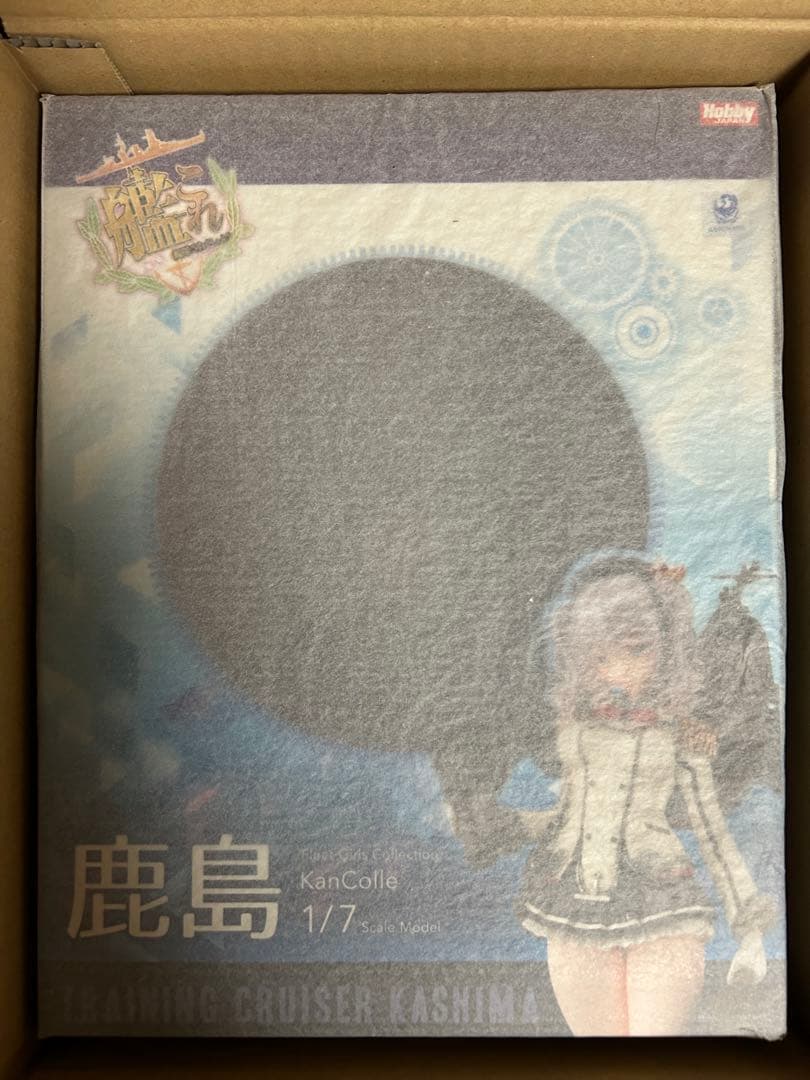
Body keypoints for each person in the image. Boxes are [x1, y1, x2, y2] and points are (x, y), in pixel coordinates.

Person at [515, 553, 776, 1036]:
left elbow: (713, 834)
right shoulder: (578, 735)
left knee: (653, 1053)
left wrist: (750, 927)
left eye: (635, 650)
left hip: (662, 902)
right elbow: (568, 817)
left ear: (664, 648)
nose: (616, 669)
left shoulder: (678, 738)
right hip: (575, 907)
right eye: (600, 657)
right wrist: (509, 824)